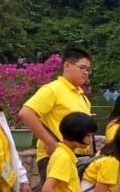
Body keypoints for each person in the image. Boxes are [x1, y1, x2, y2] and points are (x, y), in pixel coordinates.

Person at [18, 48, 93, 182]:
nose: (86, 73)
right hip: (55, 157)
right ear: (67, 66)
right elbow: (26, 113)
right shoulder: (53, 89)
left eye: (88, 69)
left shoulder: (82, 97)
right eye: (82, 68)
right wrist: (50, 142)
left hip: (75, 157)